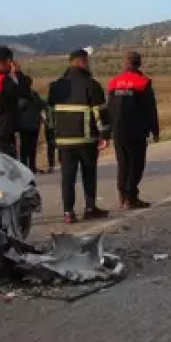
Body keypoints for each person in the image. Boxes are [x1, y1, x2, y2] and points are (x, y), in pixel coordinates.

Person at [48, 49, 110, 224]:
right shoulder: (91, 84)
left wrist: (53, 137)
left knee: (67, 177)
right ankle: (90, 208)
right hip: (86, 140)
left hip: (64, 140)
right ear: (83, 62)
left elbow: (50, 115)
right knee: (89, 174)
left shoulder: (56, 86)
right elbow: (100, 112)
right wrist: (104, 134)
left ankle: (68, 212)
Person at [107, 51, 160, 210]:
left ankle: (122, 197)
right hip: (136, 130)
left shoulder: (114, 82)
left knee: (122, 164)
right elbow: (150, 108)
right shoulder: (143, 82)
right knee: (136, 164)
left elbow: (109, 107)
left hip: (118, 130)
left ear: (125, 63)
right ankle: (131, 198)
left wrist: (107, 130)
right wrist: (155, 129)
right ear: (139, 63)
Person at [16, 75, 46, 172]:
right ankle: (32, 166)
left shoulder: (22, 95)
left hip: (24, 125)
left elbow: (19, 107)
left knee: (24, 148)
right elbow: (43, 105)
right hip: (35, 124)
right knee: (32, 147)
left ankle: (24, 167)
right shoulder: (34, 94)